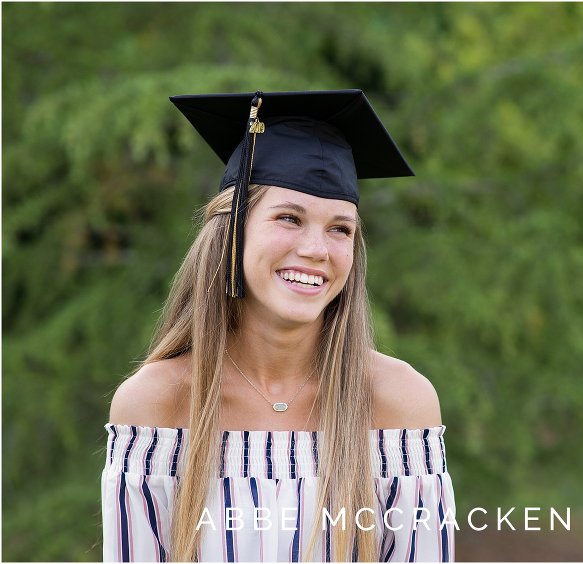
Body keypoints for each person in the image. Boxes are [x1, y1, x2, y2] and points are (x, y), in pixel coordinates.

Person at [101, 89, 456, 562]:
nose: (317, 249)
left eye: (340, 229)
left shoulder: (397, 404)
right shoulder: (158, 405)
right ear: (232, 232)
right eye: (289, 218)